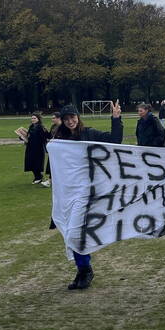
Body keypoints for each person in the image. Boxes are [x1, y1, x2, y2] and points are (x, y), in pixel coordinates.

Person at [52, 101, 124, 290]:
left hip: (87, 192)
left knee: (75, 231)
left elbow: (115, 141)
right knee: (70, 231)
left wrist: (116, 119)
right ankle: (83, 269)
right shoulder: (59, 138)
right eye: (66, 119)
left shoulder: (89, 134)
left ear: (78, 117)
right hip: (67, 193)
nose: (70, 121)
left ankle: (85, 270)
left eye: (73, 117)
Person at [20, 113, 49, 184]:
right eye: (32, 118)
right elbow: (28, 136)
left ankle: (38, 177)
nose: (33, 119)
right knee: (30, 162)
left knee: (37, 163)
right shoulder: (31, 127)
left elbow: (44, 137)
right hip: (30, 147)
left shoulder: (40, 127)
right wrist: (22, 137)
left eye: (34, 118)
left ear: (38, 119)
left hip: (38, 148)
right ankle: (37, 176)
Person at [41, 112, 62, 187]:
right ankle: (50, 180)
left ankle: (50, 181)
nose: (52, 119)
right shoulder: (53, 126)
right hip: (53, 148)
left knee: (55, 165)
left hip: (59, 149)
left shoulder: (63, 127)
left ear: (59, 118)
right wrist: (45, 131)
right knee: (52, 164)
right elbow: (50, 136)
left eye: (53, 118)